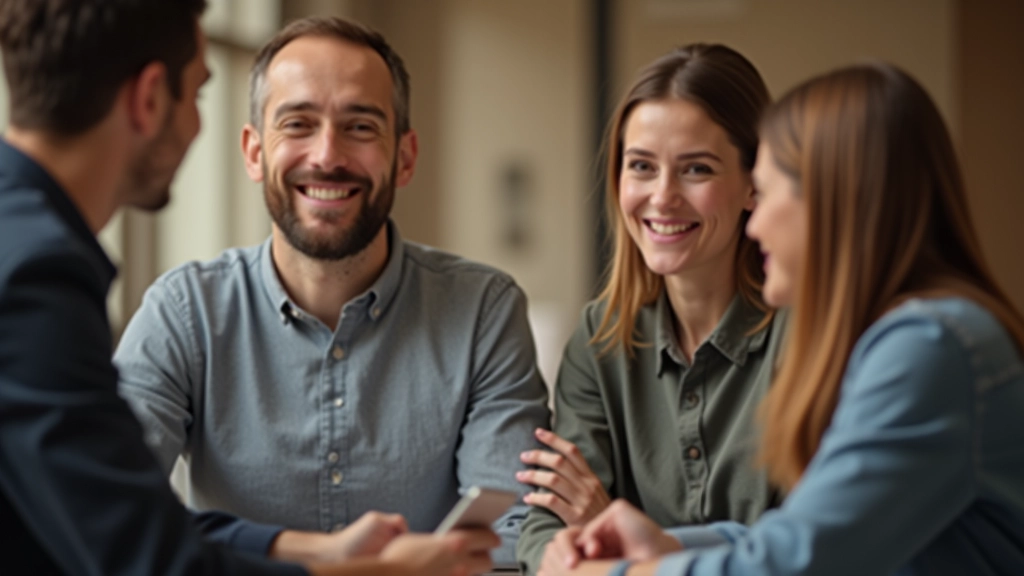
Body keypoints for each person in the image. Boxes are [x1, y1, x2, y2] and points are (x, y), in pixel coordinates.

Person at [0, 1, 498, 574]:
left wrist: (301, 546)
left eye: (359, 125)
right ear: (149, 97)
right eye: (199, 94)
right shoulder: (36, 275)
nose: (195, 127)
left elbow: (110, 506)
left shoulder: (23, 248)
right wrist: (378, 571)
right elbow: (137, 554)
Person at [540, 63, 1024, 575]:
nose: (757, 224)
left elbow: (797, 563)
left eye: (767, 194)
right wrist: (672, 545)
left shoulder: (927, 345)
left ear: (840, 201)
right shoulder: (921, 336)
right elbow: (811, 531)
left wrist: (616, 574)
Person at [113, 15, 550, 566]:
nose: (326, 155)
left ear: (406, 156)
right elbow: (109, 505)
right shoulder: (184, 313)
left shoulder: (484, 311)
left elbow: (513, 527)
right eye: (297, 124)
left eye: (360, 127)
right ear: (253, 152)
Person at [516, 44, 786, 575]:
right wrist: (567, 550)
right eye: (641, 166)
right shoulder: (600, 337)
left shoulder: (809, 331)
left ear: (754, 183)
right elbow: (548, 519)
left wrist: (643, 541)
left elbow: (811, 539)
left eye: (696, 169)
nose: (661, 197)